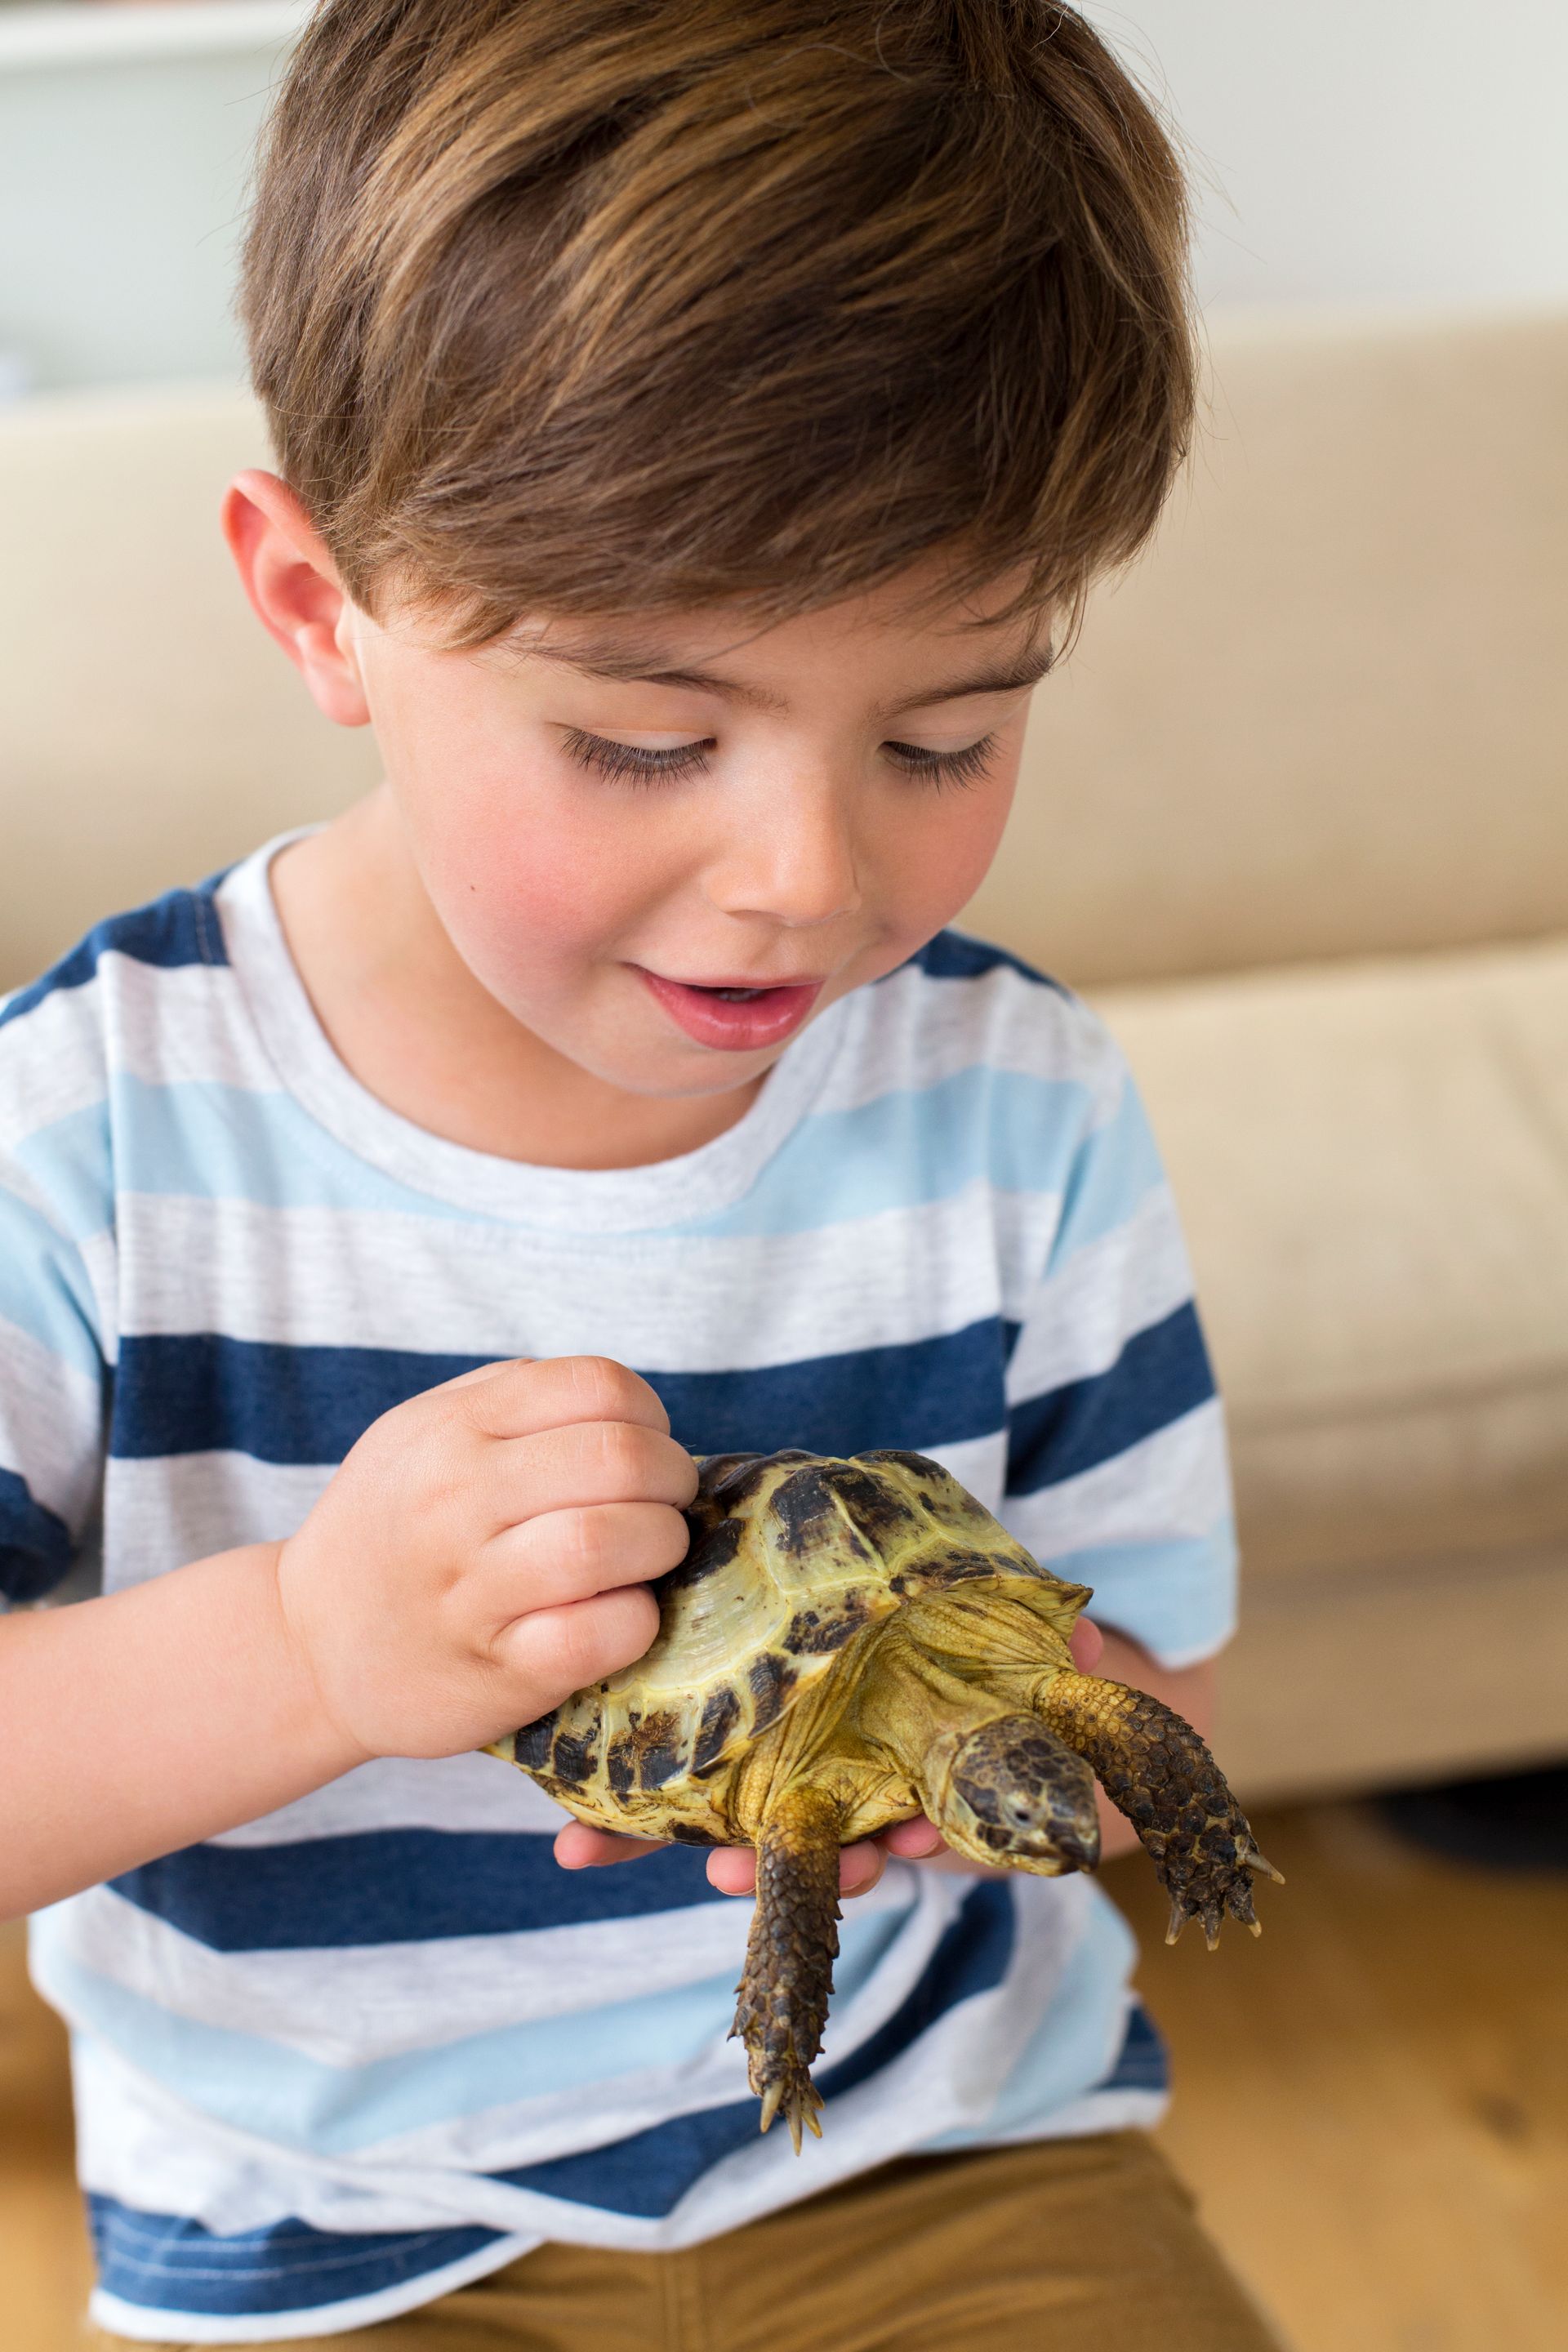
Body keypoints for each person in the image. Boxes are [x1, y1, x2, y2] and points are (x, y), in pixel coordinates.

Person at [0, 2, 1283, 2344]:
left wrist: (998, 1757)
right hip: (336, 2236)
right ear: (323, 613)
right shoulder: (88, 1136)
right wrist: (307, 1645)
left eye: (945, 730)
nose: (805, 872)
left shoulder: (1017, 1094)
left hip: (936, 2144)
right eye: (643, 736)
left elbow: (1157, 1695)